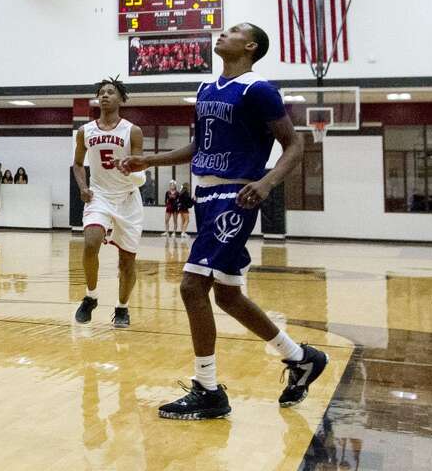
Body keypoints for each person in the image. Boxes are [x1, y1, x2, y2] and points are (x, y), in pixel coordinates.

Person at [120, 22, 326, 419]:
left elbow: (295, 144)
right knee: (227, 295)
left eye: (232, 31)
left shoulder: (258, 89)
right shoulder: (205, 89)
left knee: (192, 286)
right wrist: (151, 160)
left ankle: (208, 388)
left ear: (249, 46)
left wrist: (265, 184)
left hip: (237, 193)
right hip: (205, 193)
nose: (222, 34)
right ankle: (300, 357)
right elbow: (201, 144)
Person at [72, 78, 145, 329]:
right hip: (99, 195)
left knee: (127, 261)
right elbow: (78, 164)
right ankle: (90, 296)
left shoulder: (132, 131)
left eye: (110, 92)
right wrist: (83, 188)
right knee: (91, 242)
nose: (104, 96)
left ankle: (122, 308)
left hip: (127, 199)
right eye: (101, 93)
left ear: (120, 99)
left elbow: (141, 171)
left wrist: (128, 169)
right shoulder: (85, 131)